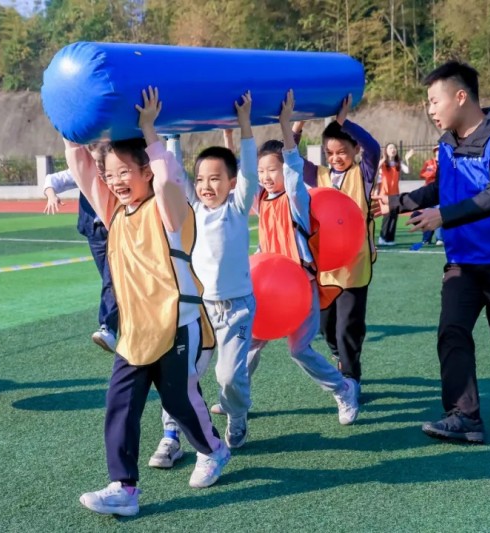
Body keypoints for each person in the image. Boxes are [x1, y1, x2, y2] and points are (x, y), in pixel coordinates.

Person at [66, 87, 230, 516]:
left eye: (125, 173)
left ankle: (212, 447)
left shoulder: (169, 209)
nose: (116, 181)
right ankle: (124, 488)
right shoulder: (115, 212)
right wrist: (70, 130)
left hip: (179, 322)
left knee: (178, 401)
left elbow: (170, 177)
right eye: (111, 174)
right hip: (135, 331)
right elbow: (84, 171)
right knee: (120, 403)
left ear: (146, 173)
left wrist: (148, 130)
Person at [374, 60, 490, 444]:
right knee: (452, 332)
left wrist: (443, 216)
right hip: (462, 263)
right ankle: (465, 416)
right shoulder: (446, 144)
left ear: (461, 97)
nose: (430, 110)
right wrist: (398, 202)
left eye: (433, 101)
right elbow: (443, 189)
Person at [149, 91, 257, 471]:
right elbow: (172, 174)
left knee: (229, 378)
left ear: (231, 183)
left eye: (215, 179)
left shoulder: (238, 208)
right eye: (201, 179)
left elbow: (249, 169)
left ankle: (237, 414)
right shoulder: (191, 211)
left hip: (237, 309)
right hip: (198, 312)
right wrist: (172, 134)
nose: (207, 185)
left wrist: (245, 125)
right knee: (184, 375)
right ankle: (171, 435)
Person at [250, 90, 360, 425]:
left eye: (274, 170)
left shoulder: (297, 201)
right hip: (268, 289)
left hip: (301, 286)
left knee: (300, 350)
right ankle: (234, 397)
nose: (268, 176)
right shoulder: (260, 201)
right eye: (262, 171)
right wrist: (233, 129)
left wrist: (287, 127)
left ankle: (343, 389)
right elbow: (239, 172)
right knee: (248, 345)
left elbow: (294, 167)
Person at [301, 95, 381, 394]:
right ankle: (338, 357)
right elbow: (291, 160)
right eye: (329, 152)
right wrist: (295, 127)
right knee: (325, 326)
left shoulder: (363, 174)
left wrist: (344, 121)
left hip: (355, 268)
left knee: (349, 326)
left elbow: (373, 148)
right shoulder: (319, 175)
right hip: (325, 268)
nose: (335, 157)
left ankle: (351, 378)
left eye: (342, 152)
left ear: (354, 151)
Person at [43, 161, 118, 352]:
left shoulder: (117, 166)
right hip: (95, 231)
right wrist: (51, 195)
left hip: (118, 229)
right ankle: (127, 324)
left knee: (112, 280)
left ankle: (108, 328)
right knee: (110, 281)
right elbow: (52, 180)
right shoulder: (83, 168)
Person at [376, 143, 413, 245]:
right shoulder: (383, 163)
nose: (393, 149)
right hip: (385, 193)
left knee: (394, 216)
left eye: (394, 148)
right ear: (386, 151)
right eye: (390, 148)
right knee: (387, 215)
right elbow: (375, 168)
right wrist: (383, 159)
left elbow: (408, 171)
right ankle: (383, 238)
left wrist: (407, 159)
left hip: (395, 193)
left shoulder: (398, 163)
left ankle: (390, 239)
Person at [409, 146, 444, 249]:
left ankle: (439, 239)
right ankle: (426, 239)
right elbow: (424, 174)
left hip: (441, 193)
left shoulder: (446, 162)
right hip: (429, 193)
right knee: (427, 215)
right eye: (437, 151)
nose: (438, 152)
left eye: (440, 150)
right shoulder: (429, 163)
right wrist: (435, 173)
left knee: (438, 214)